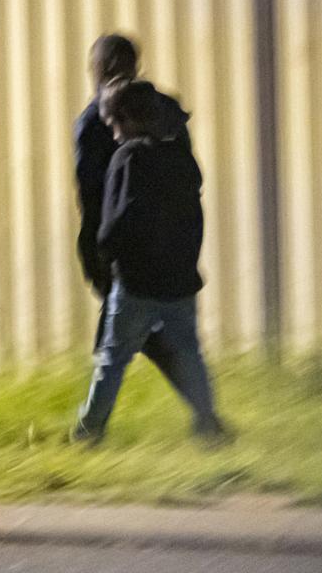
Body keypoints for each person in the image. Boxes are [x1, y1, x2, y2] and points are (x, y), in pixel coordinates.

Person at [72, 78, 226, 444]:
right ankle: (208, 422)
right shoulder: (180, 158)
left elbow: (115, 221)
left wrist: (108, 255)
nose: (111, 132)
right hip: (179, 281)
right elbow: (193, 217)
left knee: (113, 359)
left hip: (134, 283)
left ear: (126, 118)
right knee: (189, 353)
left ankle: (90, 430)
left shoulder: (128, 158)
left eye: (112, 123)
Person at [73, 34, 191, 349]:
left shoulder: (95, 121)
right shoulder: (165, 111)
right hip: (169, 244)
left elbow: (91, 196)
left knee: (119, 342)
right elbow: (188, 178)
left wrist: (98, 250)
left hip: (123, 250)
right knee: (161, 337)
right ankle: (198, 394)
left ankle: (99, 398)